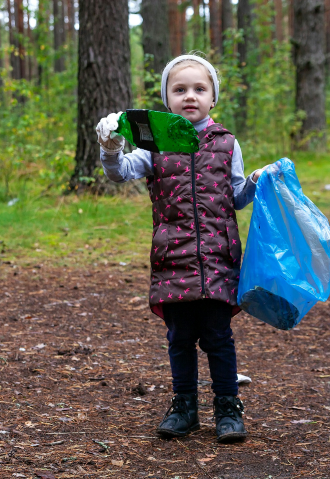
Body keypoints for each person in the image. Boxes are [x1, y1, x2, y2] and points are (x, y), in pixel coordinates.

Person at [96, 54, 267, 443]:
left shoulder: (227, 143)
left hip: (219, 257)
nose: (190, 96)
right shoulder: (152, 144)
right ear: (167, 98)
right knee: (180, 336)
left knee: (218, 336)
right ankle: (184, 408)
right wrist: (110, 148)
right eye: (180, 89)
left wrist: (257, 180)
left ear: (212, 98)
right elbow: (119, 173)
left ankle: (228, 407)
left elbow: (237, 197)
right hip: (174, 258)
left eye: (199, 89)